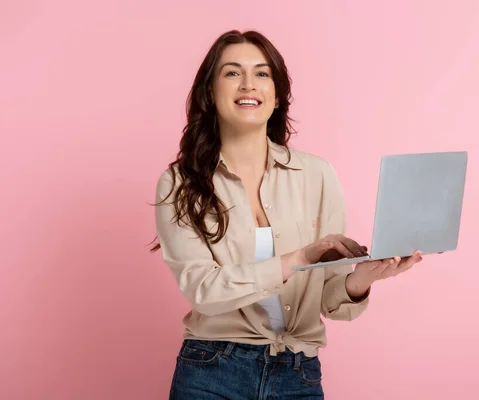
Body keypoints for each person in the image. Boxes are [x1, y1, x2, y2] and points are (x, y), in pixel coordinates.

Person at [152, 29, 423, 400]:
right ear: (210, 93)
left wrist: (364, 277)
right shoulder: (179, 183)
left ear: (277, 96)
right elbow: (203, 291)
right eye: (232, 73)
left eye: (262, 74)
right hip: (213, 371)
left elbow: (330, 297)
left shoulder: (316, 174)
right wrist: (298, 258)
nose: (249, 84)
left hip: (298, 373)